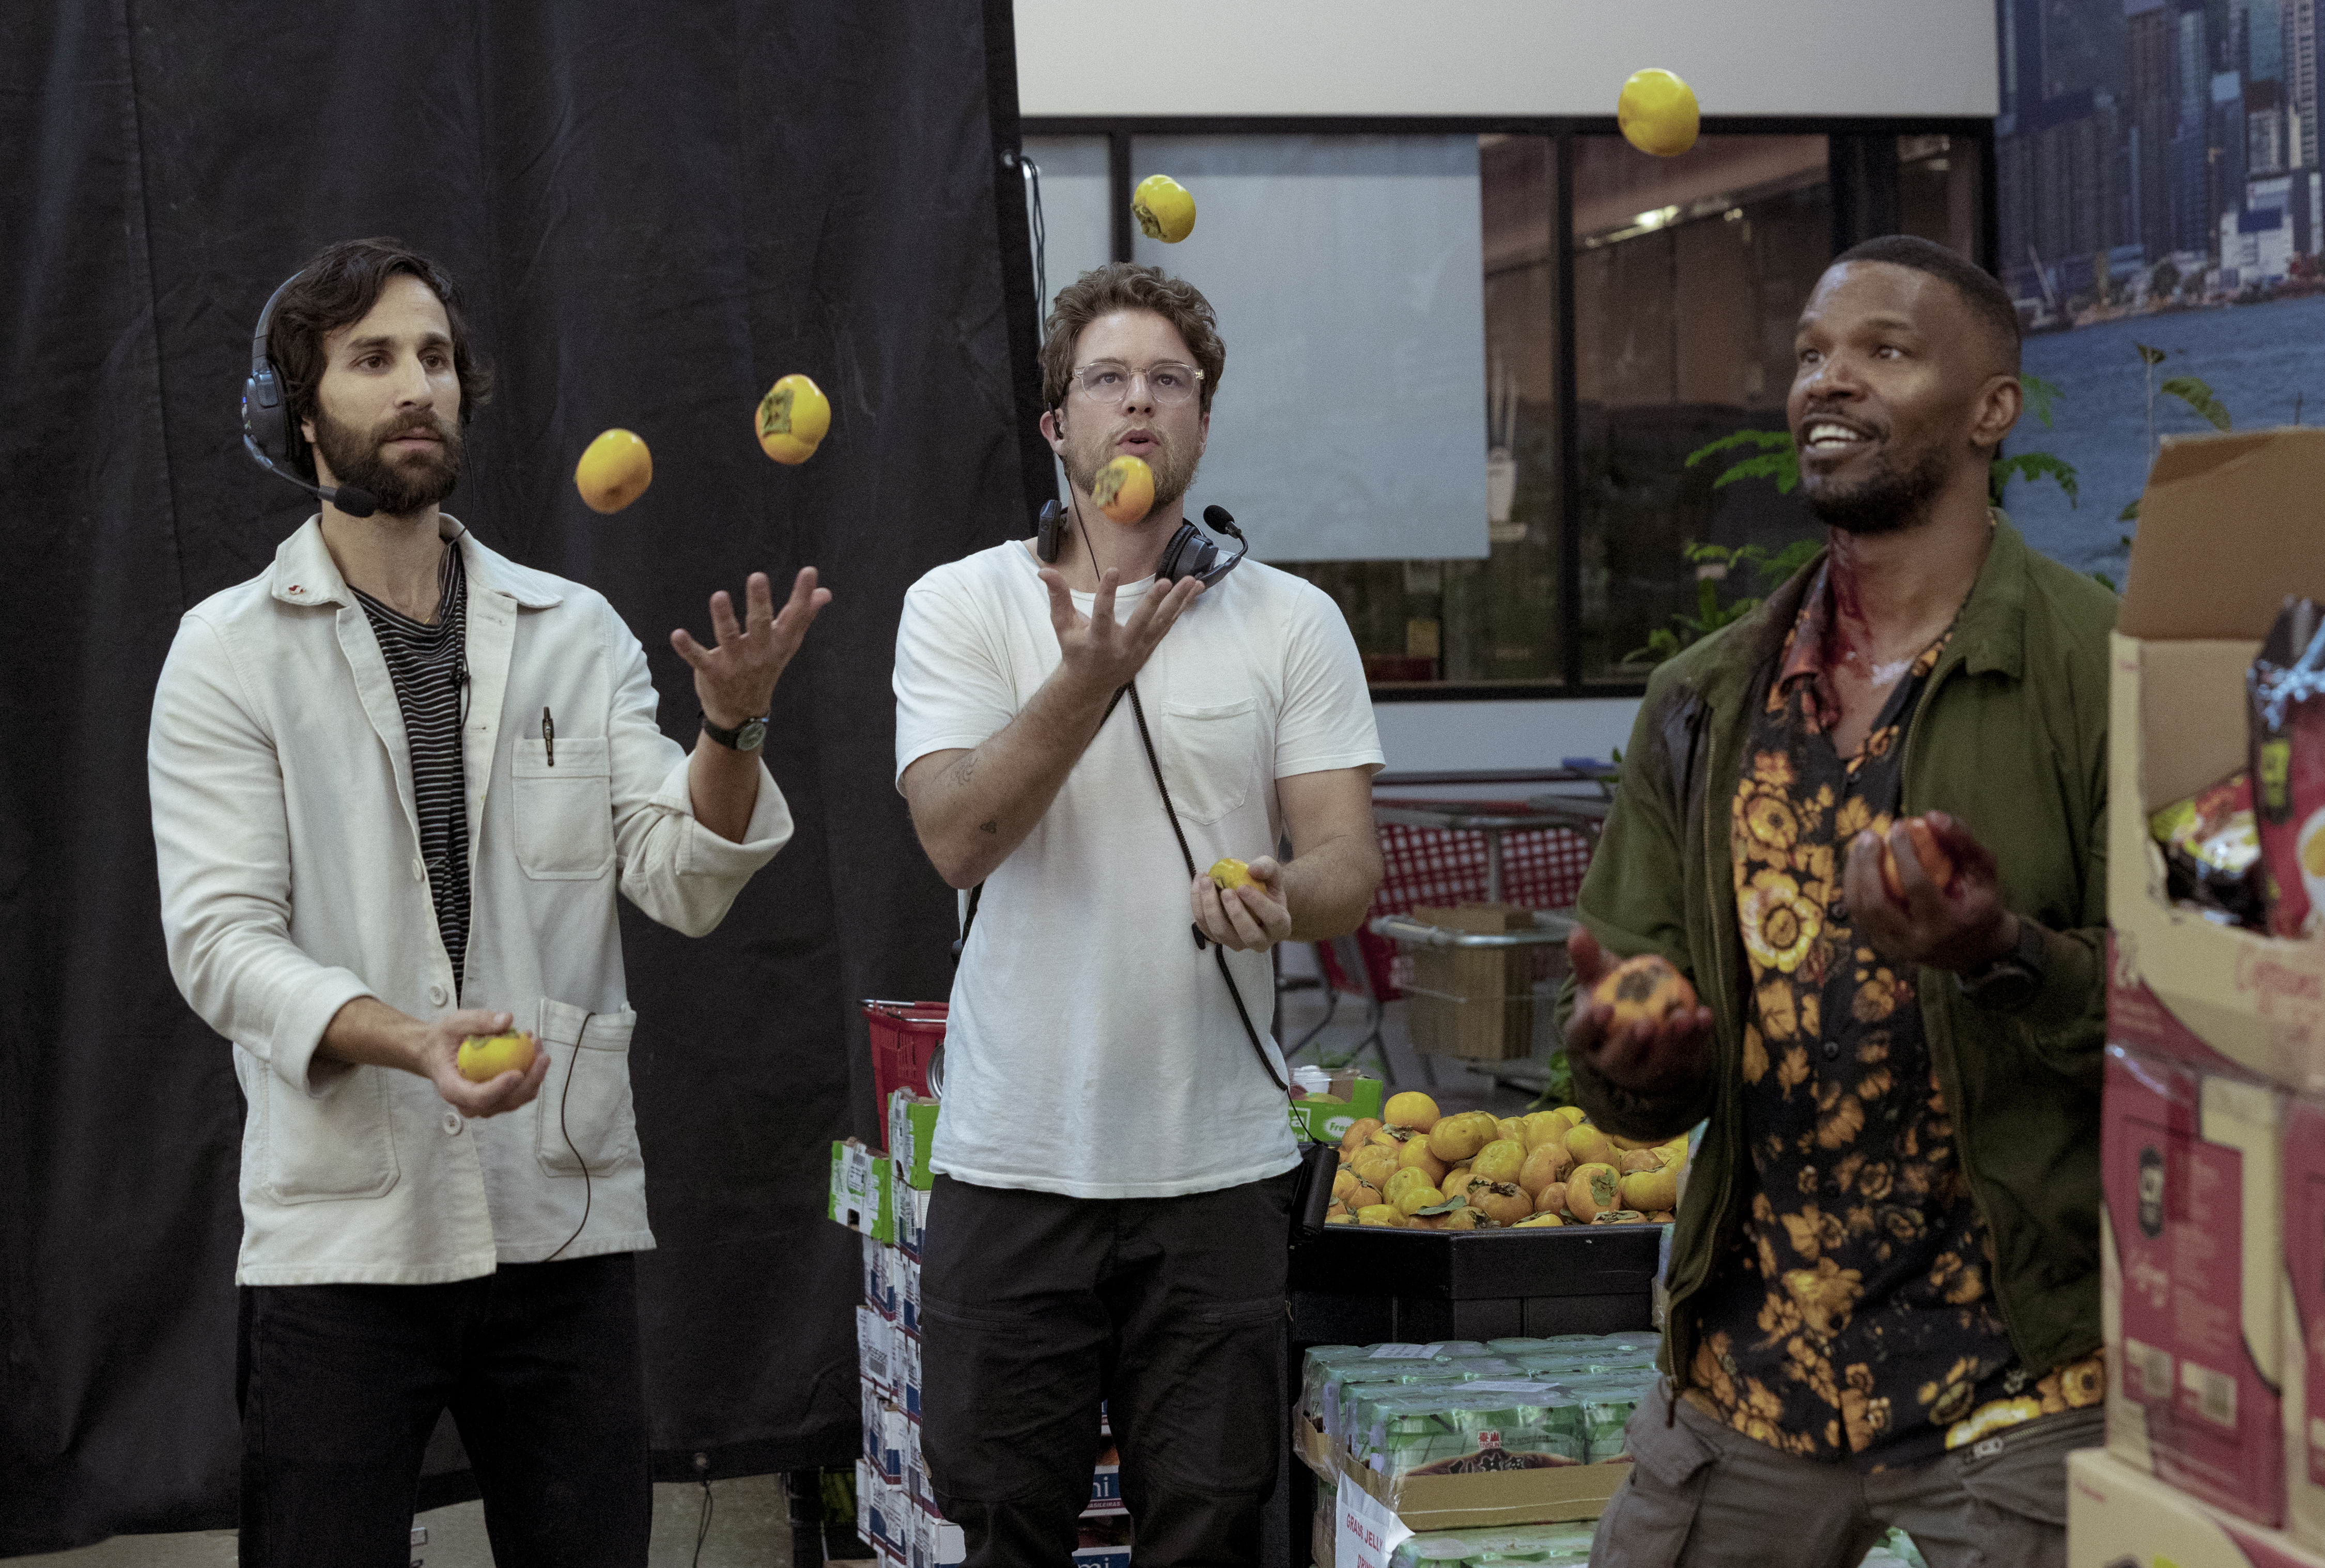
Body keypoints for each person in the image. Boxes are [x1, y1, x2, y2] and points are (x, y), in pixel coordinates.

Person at [148, 237, 829, 1567]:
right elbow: (220, 945)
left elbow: (679, 876)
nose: (418, 386)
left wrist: (733, 733)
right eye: (373, 360)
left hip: (557, 1212)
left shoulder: (571, 625)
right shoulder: (226, 652)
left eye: (437, 358)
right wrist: (411, 1042)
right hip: (343, 1233)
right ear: (302, 414)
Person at [1561, 235, 2114, 1568]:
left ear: (1992, 409)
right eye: (1810, 353)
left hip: (2021, 1381)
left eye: (1885, 349)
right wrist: (1635, 1054)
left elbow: (2204, 1018)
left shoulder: (2098, 668)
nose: (1829, 381)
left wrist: (1998, 953)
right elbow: (1626, 1021)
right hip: (1748, 1372)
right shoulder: (1700, 701)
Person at [892, 261, 1385, 1567]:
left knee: (1214, 1529)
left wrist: (1284, 900)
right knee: (1005, 1524)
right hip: (1013, 1161)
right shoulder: (962, 605)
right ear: (1059, 425)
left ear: (1205, 421)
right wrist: (1086, 678)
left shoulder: (1292, 620)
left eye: (1170, 381)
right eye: (1107, 380)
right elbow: (956, 839)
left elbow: (1347, 864)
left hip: (1217, 1171)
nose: (1140, 404)